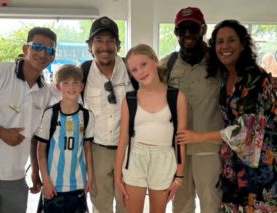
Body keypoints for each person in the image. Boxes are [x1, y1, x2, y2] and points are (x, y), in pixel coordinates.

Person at [177, 19, 277, 212]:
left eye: (231, 40)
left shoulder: (256, 77)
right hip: (232, 164)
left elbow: (247, 131)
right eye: (220, 42)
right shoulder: (223, 75)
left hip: (260, 164)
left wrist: (199, 137)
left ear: (242, 44)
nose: (225, 46)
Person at [0, 27, 56, 213]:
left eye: (50, 50)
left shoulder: (44, 92)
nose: (43, 53)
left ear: (53, 57)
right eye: (37, 47)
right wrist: (1, 132)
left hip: (16, 178)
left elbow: (35, 137)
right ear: (25, 48)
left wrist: (35, 172)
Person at [158, 7, 224, 213]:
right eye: (182, 29)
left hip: (210, 151)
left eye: (193, 28)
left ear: (202, 29)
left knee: (211, 205)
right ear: (176, 33)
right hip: (178, 152)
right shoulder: (166, 65)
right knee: (181, 205)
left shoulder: (219, 63)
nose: (187, 34)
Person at [115, 44, 187, 213]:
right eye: (134, 69)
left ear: (154, 61)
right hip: (135, 158)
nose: (140, 71)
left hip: (164, 158)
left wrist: (179, 177)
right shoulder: (130, 99)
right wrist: (118, 176)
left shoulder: (177, 97)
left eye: (143, 64)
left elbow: (180, 140)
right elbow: (123, 140)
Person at [82, 16, 136, 213]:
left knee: (126, 201)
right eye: (98, 41)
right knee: (100, 203)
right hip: (97, 151)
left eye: (110, 41)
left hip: (129, 150)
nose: (104, 47)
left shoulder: (132, 70)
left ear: (118, 45)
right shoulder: (83, 72)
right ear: (90, 46)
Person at [35, 64, 94, 212]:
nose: (71, 87)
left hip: (78, 184)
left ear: (81, 86)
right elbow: (41, 150)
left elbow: (87, 148)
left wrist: (90, 176)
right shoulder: (50, 114)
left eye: (75, 82)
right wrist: (45, 181)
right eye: (66, 82)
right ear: (59, 87)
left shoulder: (87, 115)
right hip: (54, 185)